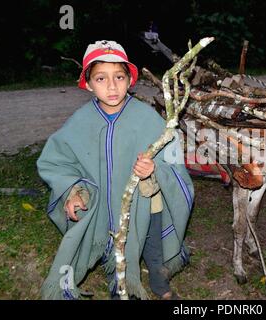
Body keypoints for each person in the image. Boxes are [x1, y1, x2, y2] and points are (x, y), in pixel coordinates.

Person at [37, 40, 194, 300]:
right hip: (100, 207)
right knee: (110, 248)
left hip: (145, 205)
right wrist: (72, 191)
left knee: (152, 245)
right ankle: (118, 278)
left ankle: (158, 279)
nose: (111, 86)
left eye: (119, 77)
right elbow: (57, 161)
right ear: (87, 84)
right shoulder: (80, 121)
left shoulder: (147, 117)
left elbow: (173, 158)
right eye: (101, 78)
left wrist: (154, 169)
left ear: (130, 79)